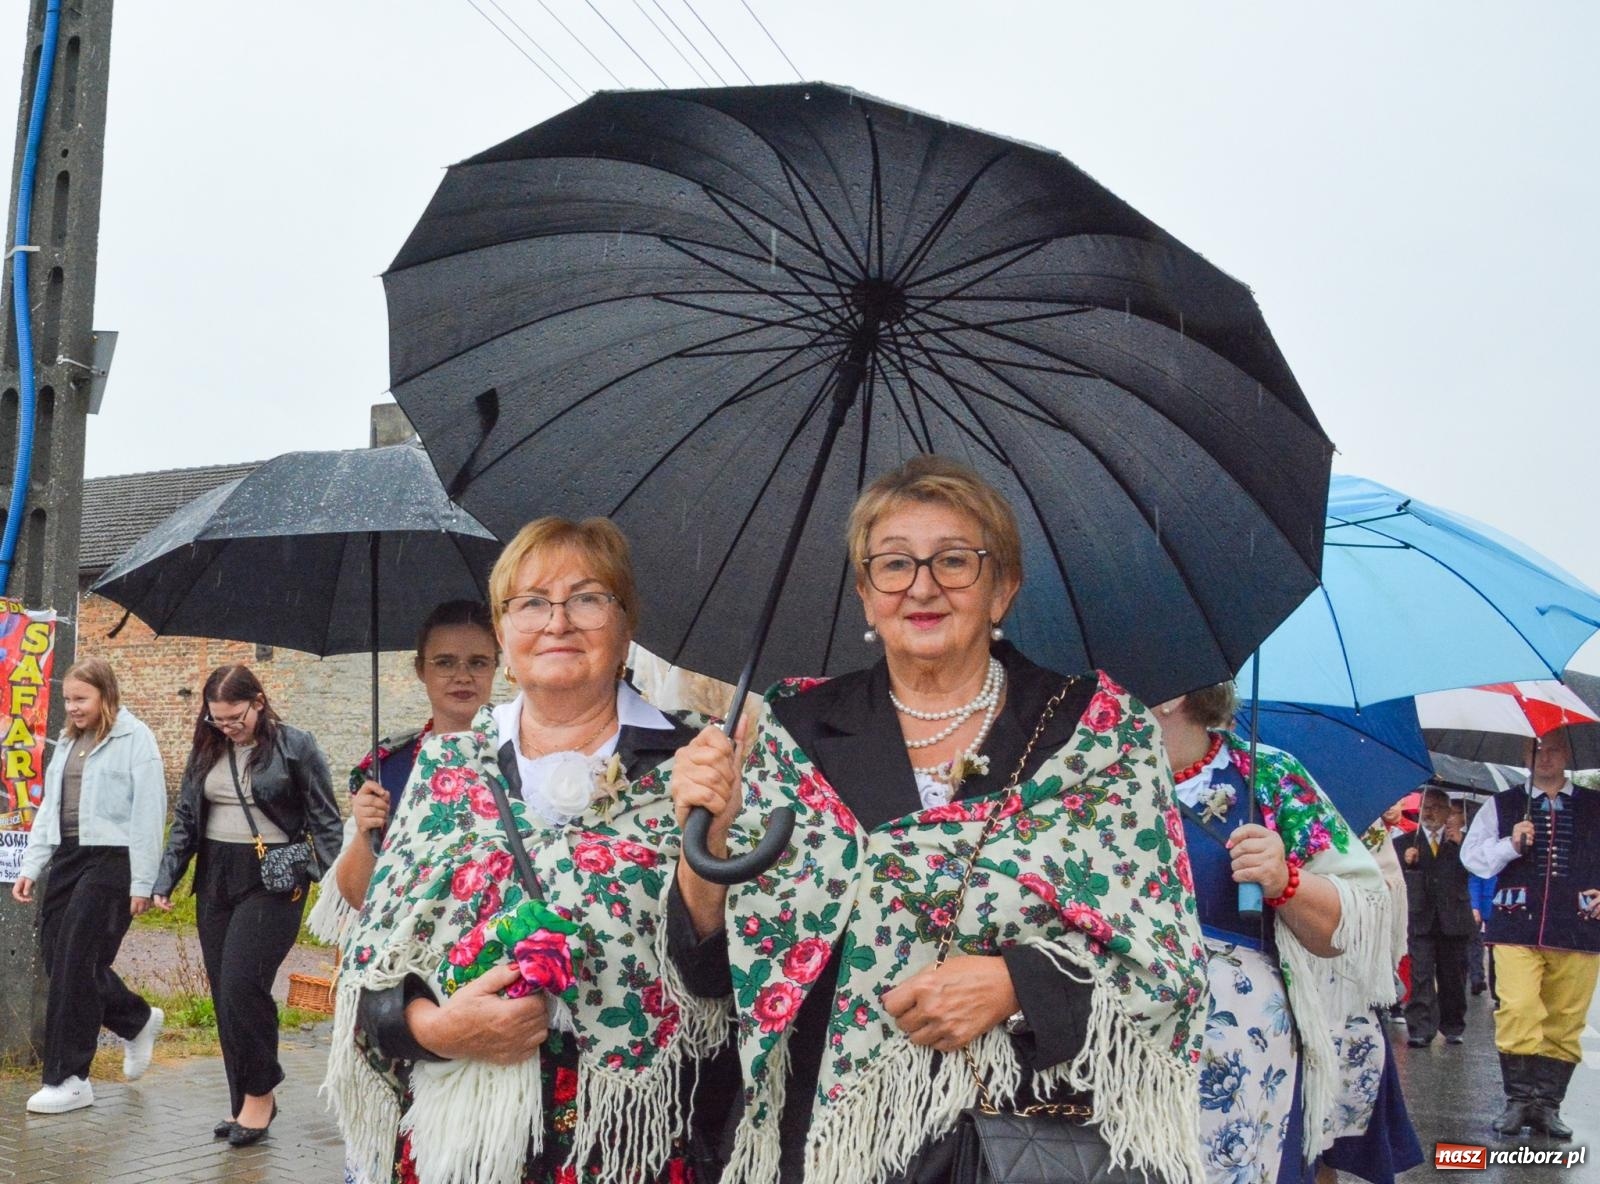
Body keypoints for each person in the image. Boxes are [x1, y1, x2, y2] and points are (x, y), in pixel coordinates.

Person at [668, 456, 1209, 1184]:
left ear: (1002, 587)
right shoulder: (794, 731)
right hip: (828, 1141)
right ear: (866, 595)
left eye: (954, 561)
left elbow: (1167, 962)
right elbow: (711, 972)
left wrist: (1018, 981)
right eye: (893, 565)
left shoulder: (1093, 733)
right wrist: (707, 835)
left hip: (1025, 1133)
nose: (922, 586)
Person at [325, 518, 729, 1184]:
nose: (558, 621)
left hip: (628, 1146)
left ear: (626, 627)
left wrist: (707, 839)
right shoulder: (446, 767)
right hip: (459, 1146)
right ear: (504, 630)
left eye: (588, 598)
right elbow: (372, 976)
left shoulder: (693, 765)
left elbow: (722, 986)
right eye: (532, 602)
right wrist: (435, 1029)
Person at [1158, 685, 1394, 1183]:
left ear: (1173, 693)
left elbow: (1350, 923)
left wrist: (1285, 880)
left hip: (1240, 1066)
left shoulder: (1267, 777)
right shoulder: (1081, 776)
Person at [151, 665, 343, 1146]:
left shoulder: (296, 745)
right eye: (217, 719)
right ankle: (242, 1101)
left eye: (235, 717)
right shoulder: (207, 746)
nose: (227, 727)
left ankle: (261, 1094)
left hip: (274, 879)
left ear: (258, 701)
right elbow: (185, 821)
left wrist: (339, 891)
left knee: (242, 984)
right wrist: (165, 880)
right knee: (223, 993)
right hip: (216, 875)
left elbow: (326, 820)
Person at [12, 657, 167, 1114]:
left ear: (106, 695)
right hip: (68, 857)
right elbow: (49, 809)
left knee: (77, 957)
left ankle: (69, 1078)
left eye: (81, 699)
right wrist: (31, 865)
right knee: (57, 955)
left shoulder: (136, 740)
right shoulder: (68, 741)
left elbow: (149, 813)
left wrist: (142, 881)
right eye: (67, 700)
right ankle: (136, 1019)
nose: (72, 708)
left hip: (112, 860)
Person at [306, 600, 500, 937]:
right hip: (410, 959)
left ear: (496, 666)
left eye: (478, 662)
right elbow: (358, 896)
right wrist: (367, 833)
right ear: (421, 670)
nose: (462, 676)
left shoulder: (523, 758)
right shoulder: (390, 770)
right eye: (445, 662)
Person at [1462, 727, 1600, 1140]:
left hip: (1579, 927)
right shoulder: (1502, 804)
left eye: (1554, 749)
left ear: (1567, 755)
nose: (1545, 756)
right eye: (1538, 748)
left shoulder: (1595, 806)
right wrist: (1510, 844)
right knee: (1519, 1008)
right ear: (1526, 752)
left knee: (1565, 1020)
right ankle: (1518, 1101)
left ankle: (1547, 1107)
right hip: (1514, 924)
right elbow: (1473, 859)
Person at [1394, 788, 1474, 1047]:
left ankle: (1452, 1024)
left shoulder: (1463, 843)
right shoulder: (1406, 842)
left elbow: (1475, 872)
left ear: (1448, 812)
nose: (1430, 813)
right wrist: (1409, 864)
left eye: (1437, 807)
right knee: (1421, 974)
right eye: (1426, 807)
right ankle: (1419, 1028)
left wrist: (1461, 846)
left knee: (1452, 976)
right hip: (1421, 916)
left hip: (1454, 917)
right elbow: (1397, 881)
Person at [1457, 800, 1492, 997]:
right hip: (1475, 900)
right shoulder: (1472, 844)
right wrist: (1475, 905)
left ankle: (1494, 990)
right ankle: (1477, 977)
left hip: (1497, 904)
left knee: (1495, 950)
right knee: (1474, 941)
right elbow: (1475, 877)